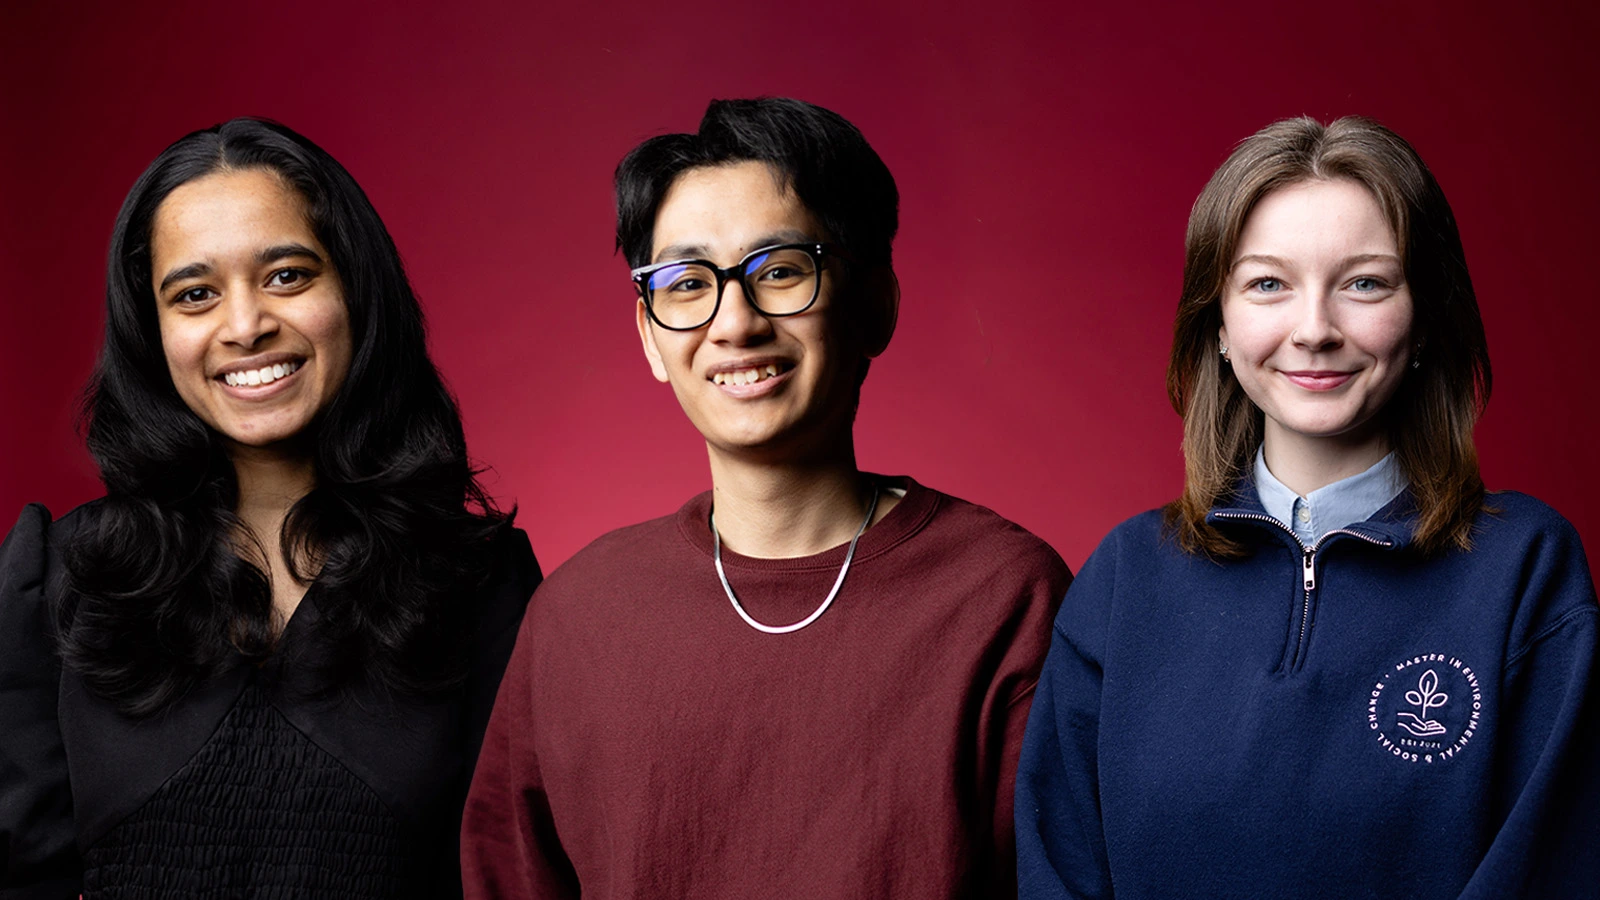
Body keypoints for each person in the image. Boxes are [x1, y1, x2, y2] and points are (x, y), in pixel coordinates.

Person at [461, 97, 1071, 899]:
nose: (734, 322)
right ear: (649, 334)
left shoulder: (1003, 596)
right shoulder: (579, 615)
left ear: (875, 303)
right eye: (686, 284)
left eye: (780, 270)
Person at [1015, 116, 1599, 898]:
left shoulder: (1526, 570)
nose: (1316, 329)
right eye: (1268, 284)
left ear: (1423, 317)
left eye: (1365, 282)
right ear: (1218, 326)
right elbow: (1059, 869)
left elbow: (1553, 869)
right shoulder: (1124, 580)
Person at [0, 118, 540, 898]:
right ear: (150, 332)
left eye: (287, 275)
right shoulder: (56, 581)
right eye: (194, 295)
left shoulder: (481, 586)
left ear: (355, 291)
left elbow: (516, 876)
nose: (246, 325)